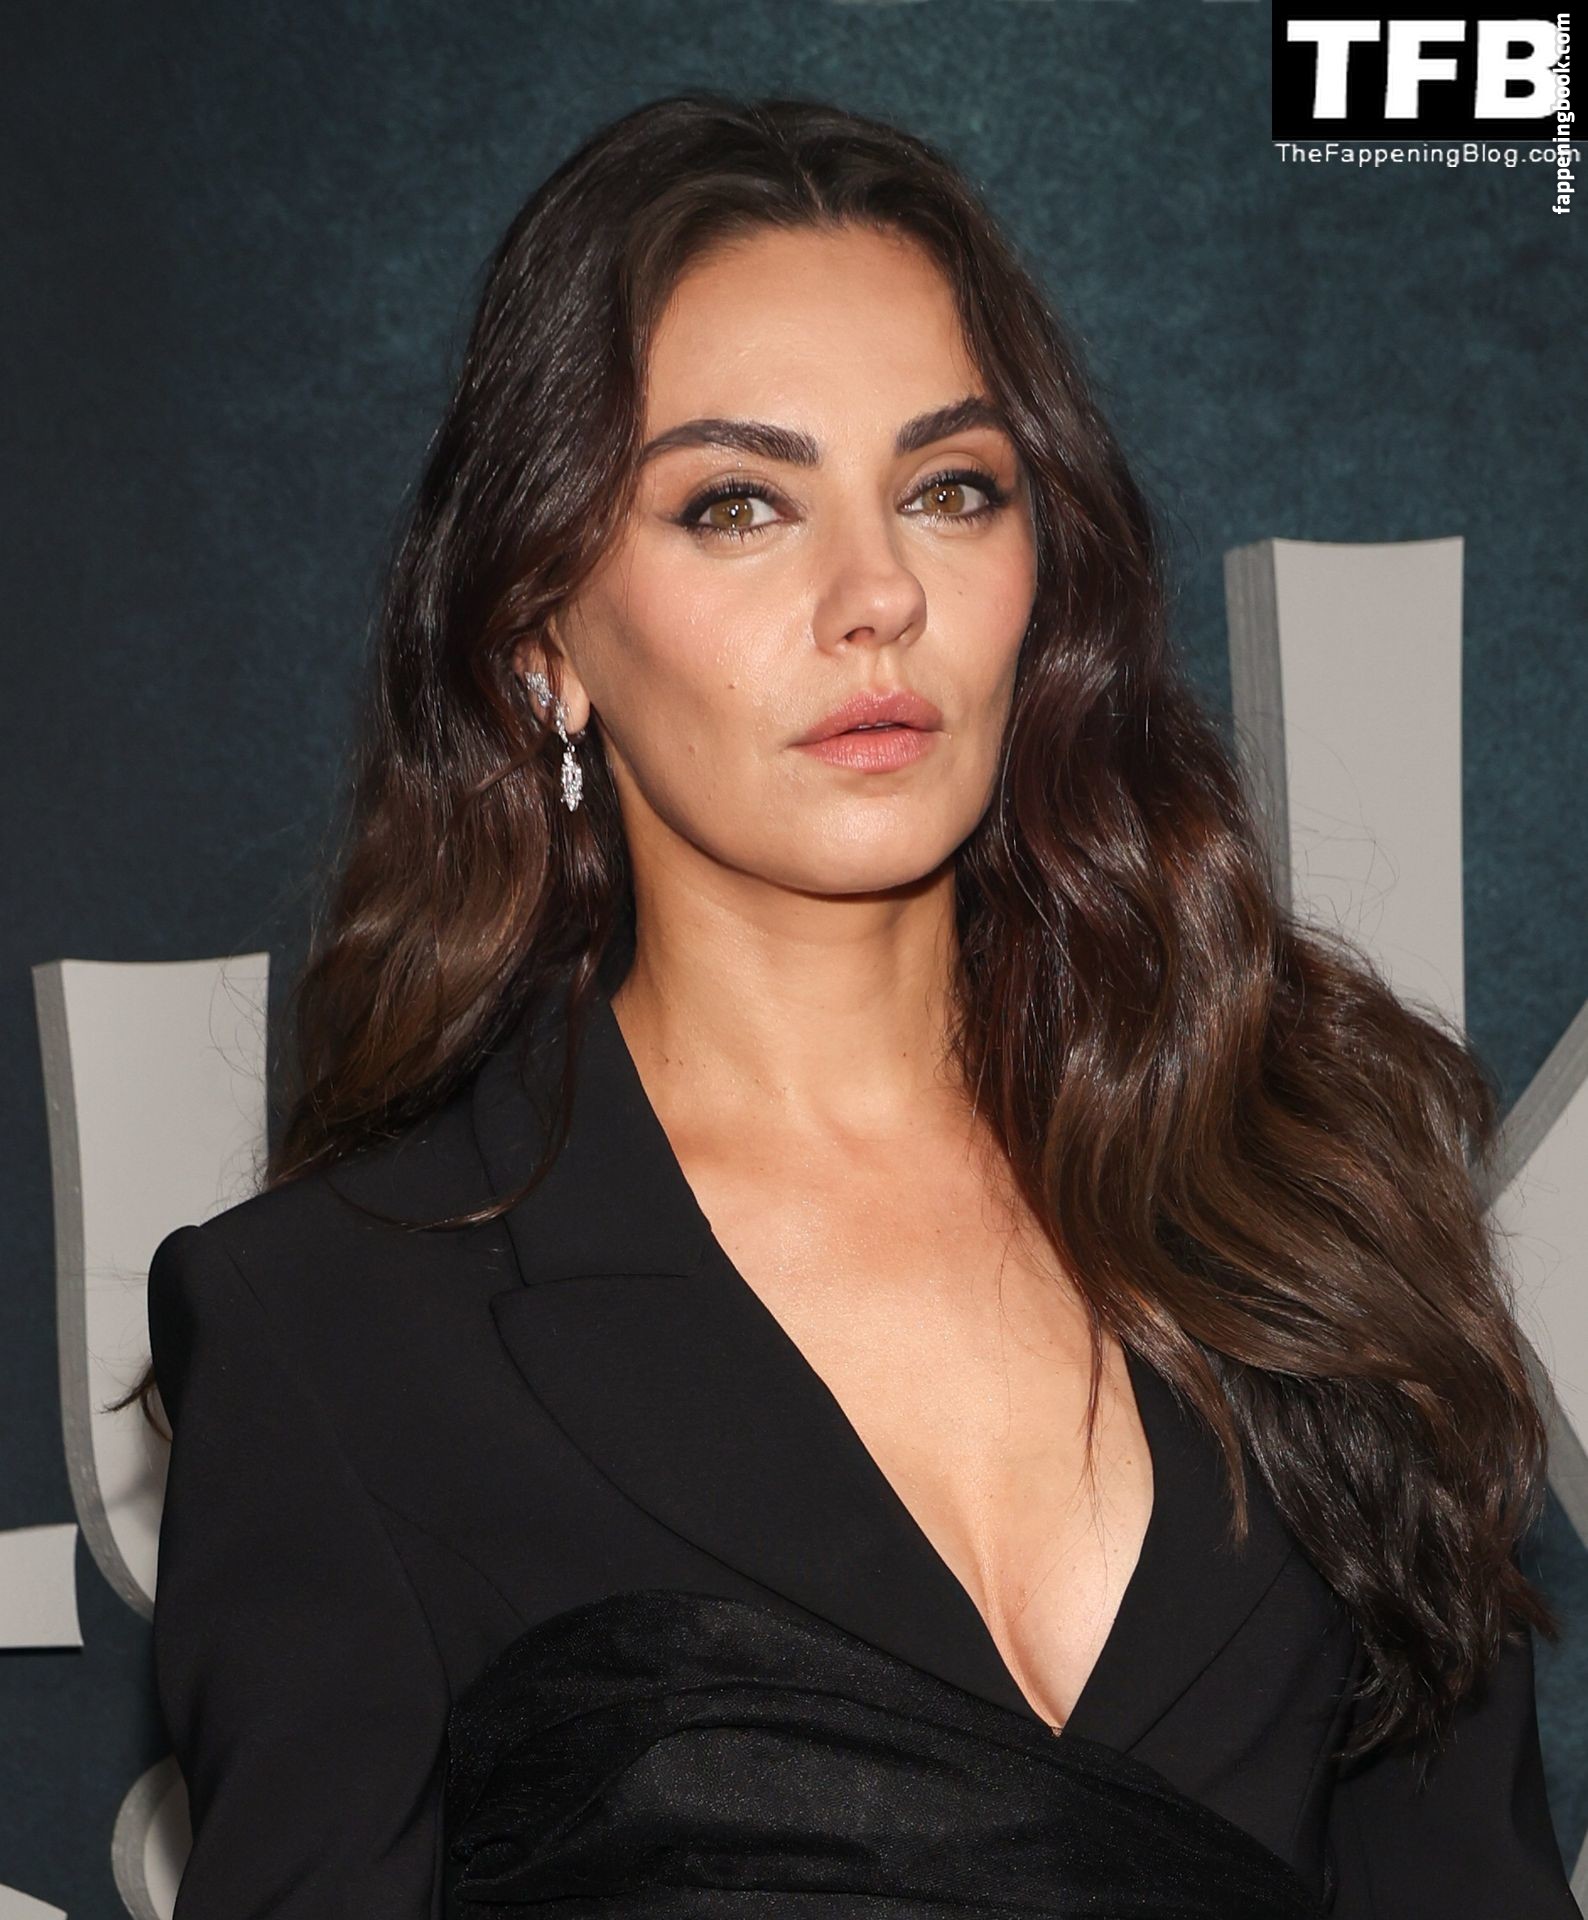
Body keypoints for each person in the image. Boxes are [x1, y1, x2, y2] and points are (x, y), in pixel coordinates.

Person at [128, 91, 1581, 1918]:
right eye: (737, 505)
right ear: (541, 642)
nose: (877, 594)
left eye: (949, 488)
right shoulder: (340, 1333)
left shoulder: (1303, 1199)